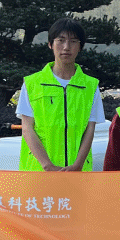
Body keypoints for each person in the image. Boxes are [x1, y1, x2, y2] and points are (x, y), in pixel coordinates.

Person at [17, 17, 105, 171]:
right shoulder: (32, 83)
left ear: (80, 46)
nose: (66, 47)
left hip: (77, 171)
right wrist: (47, 165)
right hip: (39, 171)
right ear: (50, 44)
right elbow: (27, 128)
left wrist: (77, 165)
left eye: (73, 41)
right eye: (61, 40)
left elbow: (89, 130)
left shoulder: (90, 86)